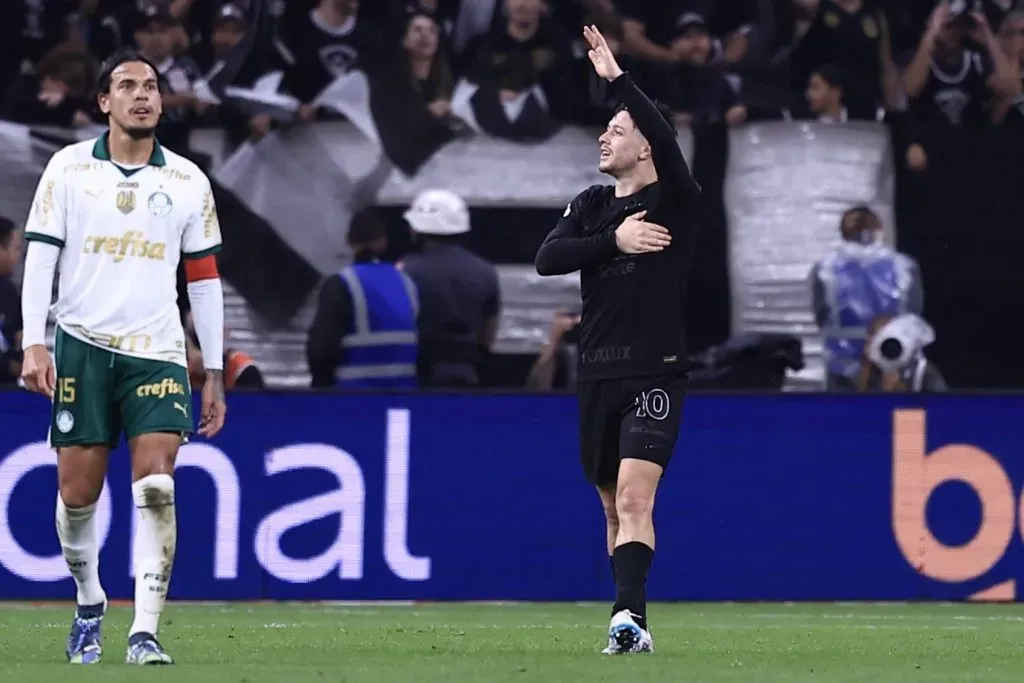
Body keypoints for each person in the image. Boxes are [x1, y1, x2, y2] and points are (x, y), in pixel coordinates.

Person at [19, 48, 227, 666]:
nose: (142, 95)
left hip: (157, 352)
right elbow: (40, 256)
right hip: (82, 345)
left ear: (162, 102)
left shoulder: (188, 181)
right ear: (104, 102)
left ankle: (145, 631)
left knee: (157, 485)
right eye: (127, 86)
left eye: (152, 87)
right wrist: (35, 340)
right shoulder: (68, 169)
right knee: (77, 496)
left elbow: (205, 279)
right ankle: (89, 602)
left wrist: (211, 368)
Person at [534, 25, 700, 655]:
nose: (606, 135)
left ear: (647, 148)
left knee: (635, 497)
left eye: (618, 128)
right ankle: (631, 619)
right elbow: (548, 258)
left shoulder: (674, 201)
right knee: (610, 508)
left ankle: (627, 621)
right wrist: (614, 241)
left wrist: (618, 79)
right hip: (596, 373)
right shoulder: (591, 205)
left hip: (654, 369)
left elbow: (664, 137)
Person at [306, 209, 419, 388]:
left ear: (349, 242)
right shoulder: (407, 282)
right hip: (402, 403)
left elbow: (320, 351)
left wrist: (322, 392)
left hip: (355, 401)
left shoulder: (342, 284)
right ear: (383, 242)